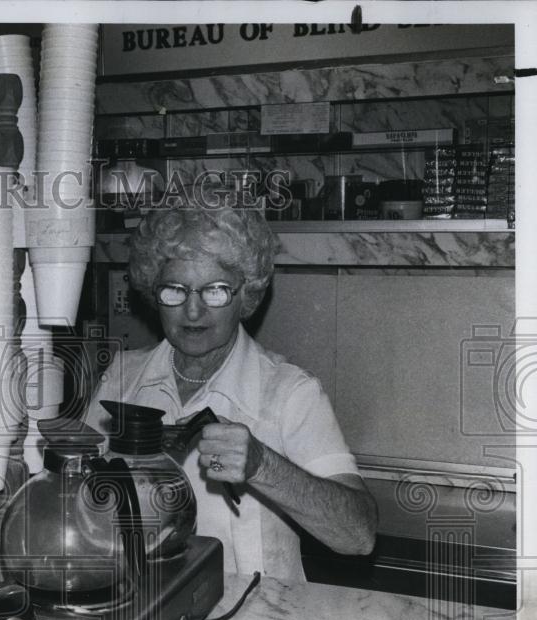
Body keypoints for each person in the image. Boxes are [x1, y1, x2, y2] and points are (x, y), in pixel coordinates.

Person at [82, 206, 377, 581]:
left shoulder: (290, 393)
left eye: (215, 291)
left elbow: (359, 536)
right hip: (141, 605)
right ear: (152, 291)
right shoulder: (122, 379)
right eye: (175, 289)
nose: (192, 310)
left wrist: (262, 465)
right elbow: (77, 503)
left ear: (246, 295)